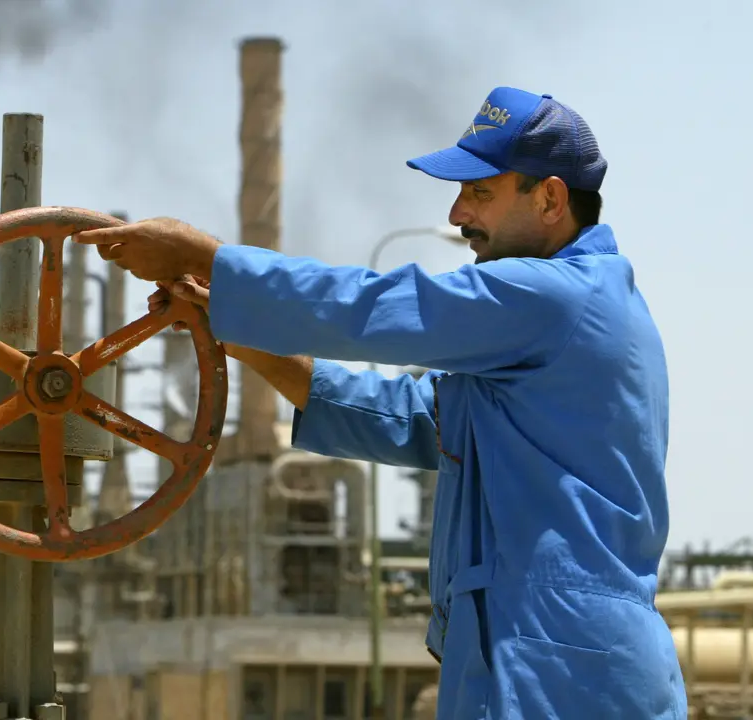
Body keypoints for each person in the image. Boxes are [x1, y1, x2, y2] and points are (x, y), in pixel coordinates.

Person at [75, 86, 688, 719]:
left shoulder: (557, 297)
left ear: (551, 198)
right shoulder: (554, 325)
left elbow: (372, 308)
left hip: (558, 664)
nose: (457, 214)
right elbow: (413, 418)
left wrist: (211, 259)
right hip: (541, 651)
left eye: (480, 192)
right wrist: (242, 334)